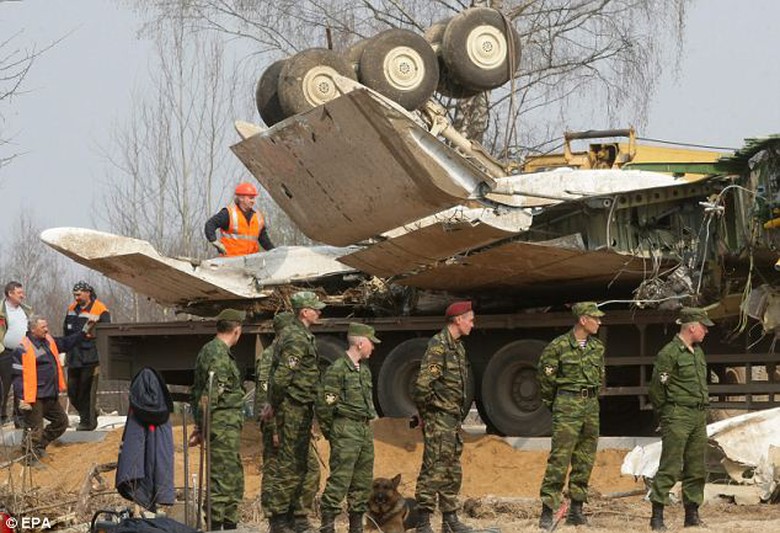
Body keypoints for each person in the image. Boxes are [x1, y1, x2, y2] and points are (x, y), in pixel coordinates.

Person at [537, 302, 605, 529]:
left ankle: (576, 509)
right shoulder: (558, 346)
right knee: (560, 457)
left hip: (590, 406)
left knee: (585, 457)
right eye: (595, 318)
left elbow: (600, 377)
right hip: (567, 404)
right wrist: (557, 404)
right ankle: (548, 510)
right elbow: (545, 381)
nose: (599, 322)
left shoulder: (597, 348)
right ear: (583, 320)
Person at [647, 307, 714, 531]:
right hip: (678, 415)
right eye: (704, 326)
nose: (706, 331)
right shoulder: (669, 353)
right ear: (692, 327)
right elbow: (657, 389)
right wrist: (667, 414)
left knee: (696, 466)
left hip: (697, 415)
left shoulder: (698, 352)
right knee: (671, 465)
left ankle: (692, 514)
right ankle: (657, 516)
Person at [263, 291, 325, 533]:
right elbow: (281, 378)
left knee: (300, 465)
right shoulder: (296, 338)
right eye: (315, 308)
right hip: (292, 407)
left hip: (301, 406)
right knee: (290, 465)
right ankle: (278, 519)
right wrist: (274, 405)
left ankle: (292, 517)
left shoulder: (301, 335)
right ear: (304, 312)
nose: (319, 312)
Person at [413, 301, 475, 533]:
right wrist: (427, 413)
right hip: (439, 417)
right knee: (434, 468)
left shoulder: (457, 347)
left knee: (451, 469)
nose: (472, 323)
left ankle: (450, 520)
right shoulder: (439, 345)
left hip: (452, 419)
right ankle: (423, 523)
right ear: (458, 320)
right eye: (470, 319)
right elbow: (422, 385)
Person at [317, 323, 380, 533]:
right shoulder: (337, 370)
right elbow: (325, 406)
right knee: (340, 479)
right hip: (345, 429)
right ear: (361, 343)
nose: (374, 348)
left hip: (363, 429)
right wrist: (333, 433)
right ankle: (327, 527)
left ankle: (356, 527)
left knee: (362, 481)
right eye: (372, 343)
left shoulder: (364, 370)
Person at [189, 308, 247, 530]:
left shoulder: (209, 350)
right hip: (222, 425)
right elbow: (211, 394)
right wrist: (203, 426)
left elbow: (198, 392)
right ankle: (217, 524)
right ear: (236, 331)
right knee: (222, 476)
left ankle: (228, 521)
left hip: (223, 425)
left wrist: (200, 424)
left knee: (230, 472)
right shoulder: (219, 355)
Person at [11, 315, 91, 464]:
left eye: (46, 326)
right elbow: (17, 377)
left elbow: (66, 343)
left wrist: (83, 333)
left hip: (50, 394)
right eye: (43, 327)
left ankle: (40, 445)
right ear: (33, 329)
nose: (47, 329)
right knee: (34, 429)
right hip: (33, 397)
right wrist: (22, 398)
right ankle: (31, 458)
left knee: (61, 422)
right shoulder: (23, 348)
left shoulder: (49, 341)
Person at [63, 281, 111, 431]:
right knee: (73, 392)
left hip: (91, 356)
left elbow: (105, 334)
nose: (76, 297)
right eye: (74, 294)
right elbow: (66, 330)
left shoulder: (100, 309)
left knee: (87, 391)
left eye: (79, 294)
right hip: (74, 357)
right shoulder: (71, 309)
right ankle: (90, 413)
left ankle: (88, 422)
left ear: (88, 292)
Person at [205, 181, 275, 256]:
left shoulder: (258, 217)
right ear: (241, 198)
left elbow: (264, 240)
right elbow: (210, 224)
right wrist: (215, 242)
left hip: (251, 262)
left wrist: (275, 252)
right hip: (230, 262)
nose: (253, 201)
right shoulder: (228, 213)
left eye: (254, 198)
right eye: (251, 198)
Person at [0, 281, 32, 426]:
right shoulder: (1, 309)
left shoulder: (26, 310)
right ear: (10, 294)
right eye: (19, 293)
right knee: (4, 386)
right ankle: (2, 416)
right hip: (4, 352)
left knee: (20, 386)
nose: (23, 296)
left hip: (22, 353)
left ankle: (19, 418)